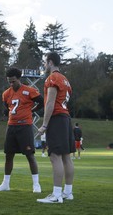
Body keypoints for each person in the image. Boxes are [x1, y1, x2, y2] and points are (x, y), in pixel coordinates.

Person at [0, 67, 44, 193]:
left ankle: (36, 184)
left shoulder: (29, 90)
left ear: (19, 79)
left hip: (25, 126)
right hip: (11, 126)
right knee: (8, 155)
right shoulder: (6, 93)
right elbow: (7, 108)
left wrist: (31, 111)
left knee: (30, 155)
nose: (11, 84)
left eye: (13, 81)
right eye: (9, 81)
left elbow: (42, 102)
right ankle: (6, 184)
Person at [37, 52, 76, 204]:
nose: (45, 65)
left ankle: (56, 195)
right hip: (65, 118)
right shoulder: (65, 80)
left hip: (57, 118)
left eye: (45, 62)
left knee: (55, 156)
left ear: (51, 62)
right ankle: (68, 192)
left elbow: (50, 103)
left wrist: (45, 124)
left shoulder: (53, 78)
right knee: (66, 156)